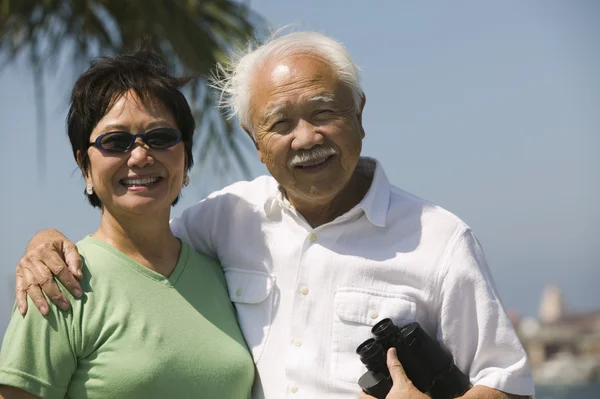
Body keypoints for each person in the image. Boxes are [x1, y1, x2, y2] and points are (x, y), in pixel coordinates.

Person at [12, 31, 535, 399]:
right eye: (280, 122)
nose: (306, 138)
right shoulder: (224, 220)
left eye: (324, 112)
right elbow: (134, 242)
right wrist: (46, 241)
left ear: (360, 113)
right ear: (254, 141)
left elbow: (509, 384)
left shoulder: (440, 241)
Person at [0, 50, 254, 399]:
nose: (140, 156)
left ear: (186, 155)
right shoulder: (55, 281)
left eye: (161, 138)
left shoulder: (223, 275)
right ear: (85, 164)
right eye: (115, 142)